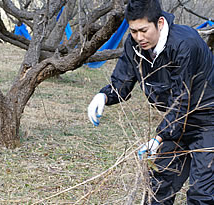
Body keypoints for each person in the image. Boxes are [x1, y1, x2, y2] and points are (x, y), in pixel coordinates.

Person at [87, 0, 214, 204]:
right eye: (133, 31)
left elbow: (182, 99)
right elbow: (123, 79)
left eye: (144, 30)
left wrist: (159, 137)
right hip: (175, 124)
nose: (139, 37)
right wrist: (104, 95)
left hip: (208, 120)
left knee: (202, 194)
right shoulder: (134, 45)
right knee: (159, 185)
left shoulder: (185, 44)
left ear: (160, 22)